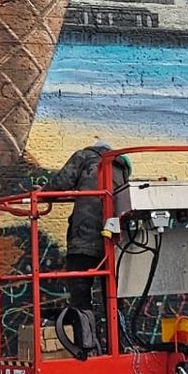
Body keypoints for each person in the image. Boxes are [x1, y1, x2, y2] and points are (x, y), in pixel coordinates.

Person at [52, 143, 130, 358]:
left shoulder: (85, 156)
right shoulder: (121, 168)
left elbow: (59, 184)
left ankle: (87, 349)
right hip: (114, 243)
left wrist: (42, 193)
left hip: (84, 239)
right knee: (114, 298)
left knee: (80, 297)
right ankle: (119, 347)